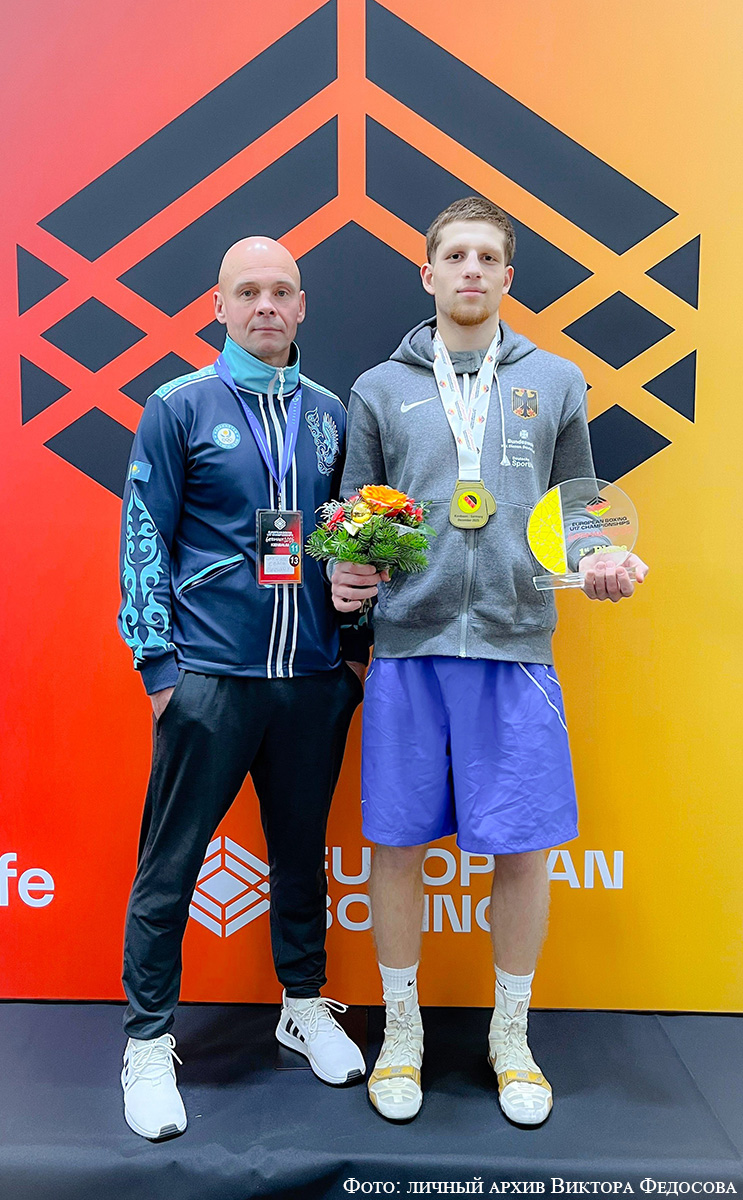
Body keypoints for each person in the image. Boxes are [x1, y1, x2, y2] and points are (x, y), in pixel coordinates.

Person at [331, 197, 648, 1126]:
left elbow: (579, 511)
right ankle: (401, 1033)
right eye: (454, 255)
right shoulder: (377, 389)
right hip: (408, 649)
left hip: (514, 648)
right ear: (426, 273)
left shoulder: (555, 380)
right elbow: (353, 517)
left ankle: (511, 1036)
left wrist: (601, 561)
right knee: (395, 846)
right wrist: (347, 572)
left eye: (486, 257)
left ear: (507, 277)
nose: (469, 270)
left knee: (521, 852)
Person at [117, 236, 368, 1141]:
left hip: (310, 681)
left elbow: (351, 540)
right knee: (170, 864)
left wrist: (351, 657)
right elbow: (143, 536)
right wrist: (160, 669)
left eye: (281, 291)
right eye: (247, 291)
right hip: (210, 681)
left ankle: (302, 1006)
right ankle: (148, 1040)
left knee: (300, 854)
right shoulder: (178, 405)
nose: (266, 305)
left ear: (302, 306)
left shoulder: (332, 414)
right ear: (217, 307)